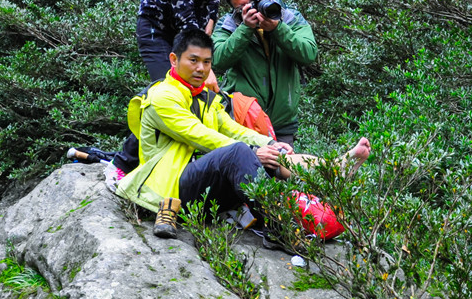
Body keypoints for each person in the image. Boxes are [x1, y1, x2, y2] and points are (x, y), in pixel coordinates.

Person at [116, 29, 369, 239]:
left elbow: (230, 127)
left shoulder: (204, 96)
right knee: (240, 153)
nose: (201, 69)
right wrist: (252, 152)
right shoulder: (162, 96)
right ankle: (281, 224)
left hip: (202, 186)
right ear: (174, 60)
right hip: (169, 192)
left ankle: (333, 170)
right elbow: (199, 135)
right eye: (193, 60)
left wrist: (270, 142)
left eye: (207, 62)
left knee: (269, 154)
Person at [110, 0, 258, 179]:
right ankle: (121, 165)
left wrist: (204, 49)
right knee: (164, 94)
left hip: (190, 33)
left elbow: (210, 5)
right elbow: (185, 15)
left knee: (196, 96)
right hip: (158, 30)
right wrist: (204, 65)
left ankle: (173, 166)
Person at [213, 0, 318, 146]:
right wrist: (245, 29)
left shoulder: (290, 17)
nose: (252, 7)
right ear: (234, 8)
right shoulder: (228, 25)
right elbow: (218, 60)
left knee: (285, 169)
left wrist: (278, 29)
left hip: (283, 122)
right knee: (247, 172)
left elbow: (309, 54)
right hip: (244, 120)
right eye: (243, 7)